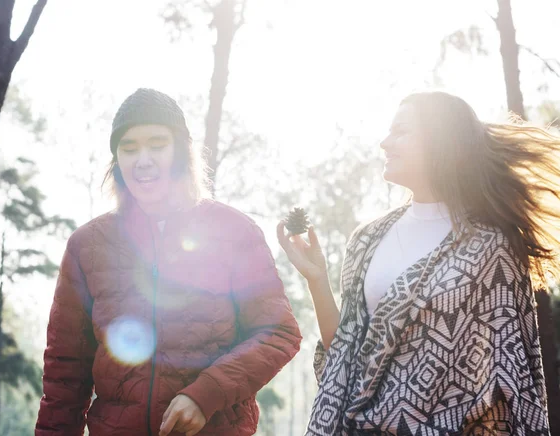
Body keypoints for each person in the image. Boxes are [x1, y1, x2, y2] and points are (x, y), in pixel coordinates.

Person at [278, 91, 558, 435]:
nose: (385, 143)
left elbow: (513, 378)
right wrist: (317, 280)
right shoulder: (367, 239)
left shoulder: (491, 247)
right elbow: (346, 357)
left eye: (401, 132)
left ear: (440, 141)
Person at [36, 88, 302, 436]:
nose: (142, 159)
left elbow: (278, 332)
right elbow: (65, 372)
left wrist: (206, 395)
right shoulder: (87, 245)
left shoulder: (235, 231)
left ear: (181, 153)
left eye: (157, 144)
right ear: (116, 160)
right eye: (129, 148)